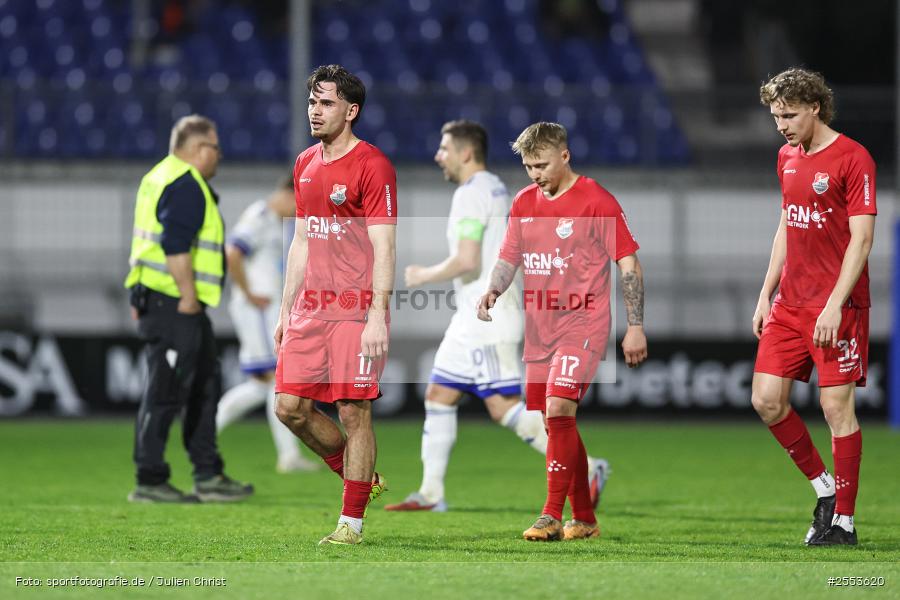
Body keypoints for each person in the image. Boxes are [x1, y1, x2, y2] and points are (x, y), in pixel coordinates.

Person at [386, 120, 610, 512]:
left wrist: (424, 275)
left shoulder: (472, 194)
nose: (439, 155)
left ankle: (587, 468)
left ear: (465, 153)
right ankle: (430, 493)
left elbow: (468, 259)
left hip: (485, 317)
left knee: (504, 406)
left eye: (444, 148)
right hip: (473, 315)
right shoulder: (494, 188)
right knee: (439, 394)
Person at [477, 122, 647, 541]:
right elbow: (508, 256)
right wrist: (493, 289)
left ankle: (550, 515)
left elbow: (628, 264)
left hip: (583, 323)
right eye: (528, 166)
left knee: (558, 409)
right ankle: (585, 520)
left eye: (542, 164)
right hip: (540, 327)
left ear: (565, 156)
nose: (535, 174)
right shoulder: (524, 201)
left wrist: (636, 326)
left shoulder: (596, 200)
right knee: (556, 423)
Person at [751, 68, 876, 546]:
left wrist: (834, 306)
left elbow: (862, 240)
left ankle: (843, 521)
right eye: (775, 116)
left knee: (835, 407)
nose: (781, 125)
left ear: (815, 108)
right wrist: (766, 292)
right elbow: (788, 222)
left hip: (836, 307)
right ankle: (824, 489)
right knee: (766, 400)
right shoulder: (786, 156)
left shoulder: (853, 158)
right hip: (790, 304)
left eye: (789, 115)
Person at [273, 64, 397, 545]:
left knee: (352, 412)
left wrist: (376, 317)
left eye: (326, 103)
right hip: (309, 308)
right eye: (311, 102)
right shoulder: (304, 163)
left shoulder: (373, 166)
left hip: (354, 308)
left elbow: (385, 246)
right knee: (289, 408)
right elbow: (301, 241)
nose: (315, 111)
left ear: (351, 110)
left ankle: (351, 524)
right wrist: (285, 311)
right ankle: (359, 478)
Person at [124, 114, 253, 503]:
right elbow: (173, 244)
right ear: (199, 149)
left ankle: (208, 473)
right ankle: (150, 478)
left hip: (168, 301)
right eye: (215, 147)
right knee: (165, 392)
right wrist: (187, 297)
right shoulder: (184, 183)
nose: (219, 155)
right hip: (175, 304)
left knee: (203, 387)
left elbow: (146, 242)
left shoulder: (161, 176)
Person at [215, 176, 320, 473]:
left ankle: (204, 436)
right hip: (257, 308)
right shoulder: (259, 215)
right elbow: (232, 253)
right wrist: (248, 292)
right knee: (275, 380)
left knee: (265, 384)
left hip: (265, 307)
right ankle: (286, 457)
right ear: (287, 192)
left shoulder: (275, 221)